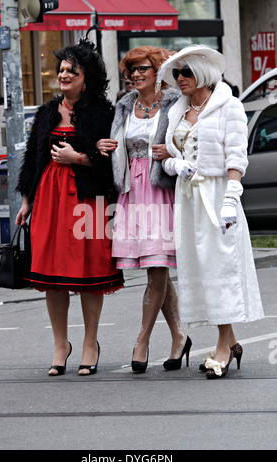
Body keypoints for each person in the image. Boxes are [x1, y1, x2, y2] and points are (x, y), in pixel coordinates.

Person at [15, 33, 124, 377]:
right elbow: (33, 159)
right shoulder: (48, 111)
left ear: (86, 78)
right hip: (49, 199)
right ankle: (61, 344)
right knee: (53, 275)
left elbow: (110, 162)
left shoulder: (103, 113)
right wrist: (26, 201)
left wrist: (77, 157)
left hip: (89, 200)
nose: (63, 76)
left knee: (91, 272)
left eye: (71, 72)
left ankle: (90, 342)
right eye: (61, 70)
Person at [156, 44, 264, 379]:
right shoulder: (178, 110)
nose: (180, 79)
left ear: (203, 72)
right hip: (188, 197)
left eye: (186, 72)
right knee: (200, 268)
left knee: (220, 264)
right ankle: (231, 342)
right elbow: (169, 153)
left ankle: (222, 346)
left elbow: (237, 155)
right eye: (177, 73)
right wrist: (176, 164)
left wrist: (232, 195)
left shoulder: (229, 106)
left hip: (217, 196)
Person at [97, 46, 191, 373]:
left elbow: (189, 138)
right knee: (157, 265)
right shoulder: (125, 106)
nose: (136, 75)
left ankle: (142, 340)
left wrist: (172, 150)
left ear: (158, 71)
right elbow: (117, 144)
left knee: (156, 265)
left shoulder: (175, 104)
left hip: (160, 189)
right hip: (131, 190)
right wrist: (103, 145)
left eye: (143, 69)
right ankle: (179, 336)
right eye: (132, 70)